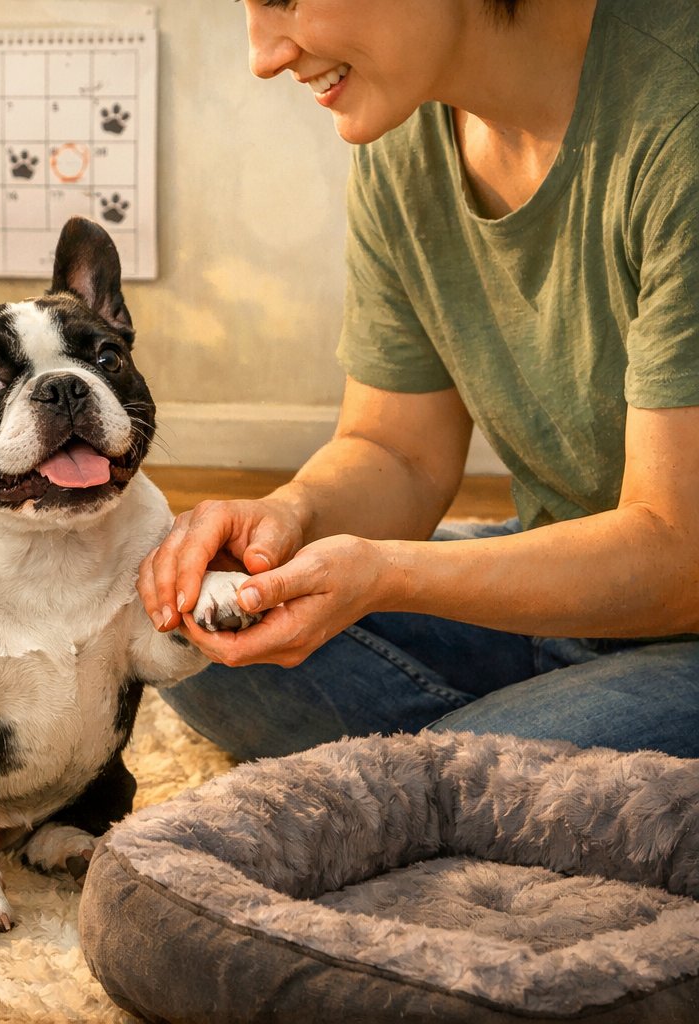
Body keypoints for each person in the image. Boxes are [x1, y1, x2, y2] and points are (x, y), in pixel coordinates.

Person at [140, 0, 699, 760]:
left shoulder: (679, 117)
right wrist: (288, 517)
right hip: (570, 592)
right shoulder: (404, 135)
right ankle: (511, 751)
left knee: (445, 775)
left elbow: (678, 553)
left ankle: (466, 761)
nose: (263, 56)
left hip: (680, 598)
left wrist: (390, 574)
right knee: (189, 634)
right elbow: (397, 449)